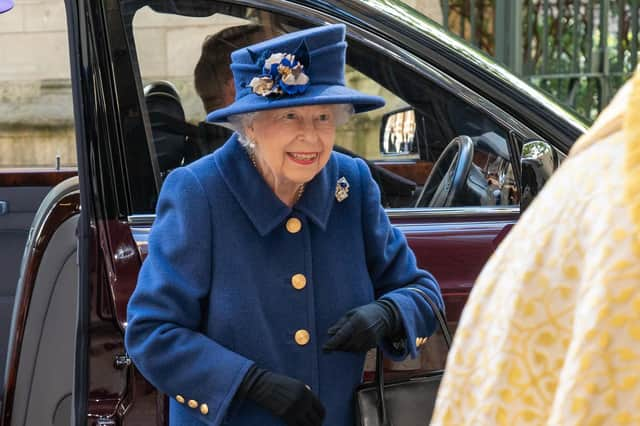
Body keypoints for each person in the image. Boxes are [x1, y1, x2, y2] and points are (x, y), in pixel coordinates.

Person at [125, 24, 443, 426]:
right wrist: (248, 382)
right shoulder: (199, 193)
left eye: (323, 117)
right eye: (290, 115)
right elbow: (151, 333)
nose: (310, 137)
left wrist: (388, 313)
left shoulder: (352, 184)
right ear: (250, 123)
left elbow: (422, 292)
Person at [431, 67, 640, 425]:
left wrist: (389, 311)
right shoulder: (623, 195)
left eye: (323, 118)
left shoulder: (596, 172)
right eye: (297, 118)